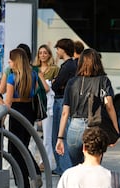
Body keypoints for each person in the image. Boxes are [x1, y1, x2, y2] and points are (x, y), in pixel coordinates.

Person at [56, 48, 119, 166]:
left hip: (75, 126)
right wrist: (115, 130)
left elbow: (65, 112)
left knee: (76, 167)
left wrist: (60, 138)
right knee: (94, 166)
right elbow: (109, 106)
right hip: (96, 126)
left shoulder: (72, 82)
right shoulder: (104, 81)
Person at [5, 48, 49, 188]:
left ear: (15, 61)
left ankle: (22, 183)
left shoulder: (12, 77)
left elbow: (8, 102)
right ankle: (34, 173)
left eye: (10, 60)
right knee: (23, 145)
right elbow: (37, 91)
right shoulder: (33, 75)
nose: (9, 63)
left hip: (16, 111)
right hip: (29, 110)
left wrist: (1, 119)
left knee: (13, 149)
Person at [51, 38, 76, 175]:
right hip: (64, 100)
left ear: (63, 50)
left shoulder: (67, 66)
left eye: (58, 49)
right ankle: (61, 167)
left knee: (60, 135)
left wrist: (55, 82)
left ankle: (64, 168)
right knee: (59, 135)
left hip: (61, 101)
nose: (57, 51)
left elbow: (55, 85)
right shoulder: (73, 65)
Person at [33, 44, 60, 171]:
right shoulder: (34, 68)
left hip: (48, 104)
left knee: (47, 135)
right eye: (40, 53)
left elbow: (53, 86)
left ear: (49, 54)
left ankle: (46, 161)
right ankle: (35, 160)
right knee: (33, 134)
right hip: (35, 102)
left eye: (45, 52)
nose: (42, 55)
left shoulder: (54, 69)